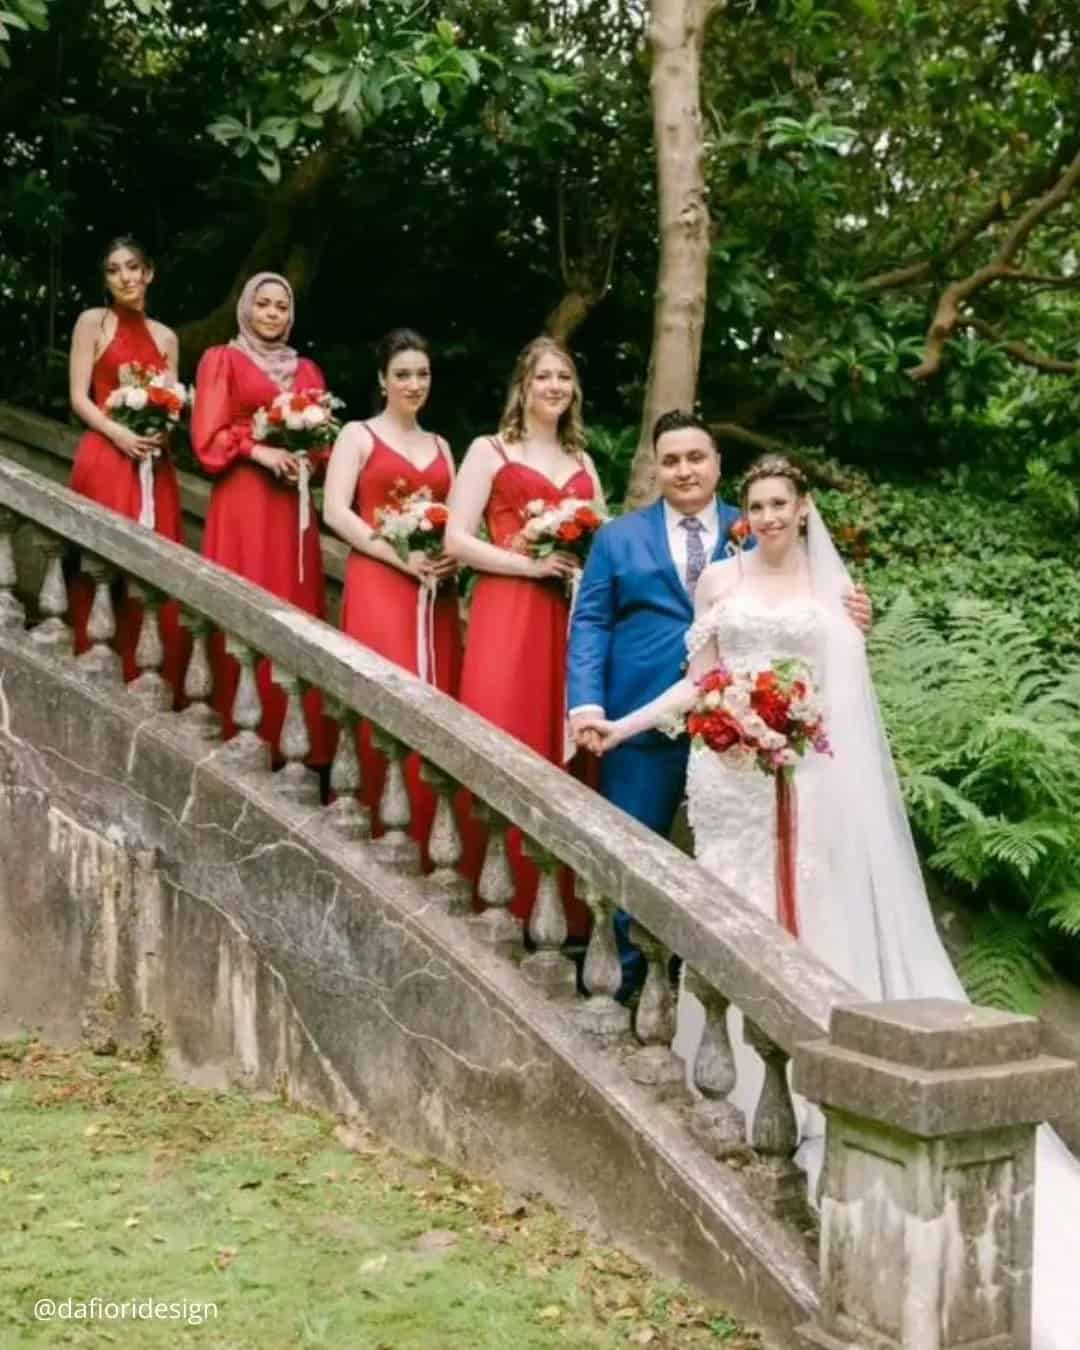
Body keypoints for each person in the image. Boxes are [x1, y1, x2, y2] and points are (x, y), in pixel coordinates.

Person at [578, 453, 1078, 1350]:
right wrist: (624, 722)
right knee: (727, 910)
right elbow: (705, 678)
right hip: (727, 778)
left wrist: (794, 727)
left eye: (782, 504)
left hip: (803, 782)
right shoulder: (720, 580)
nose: (768, 516)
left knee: (805, 916)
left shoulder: (833, 593)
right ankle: (717, 1085)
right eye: (759, 505)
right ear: (748, 512)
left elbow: (844, 701)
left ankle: (813, 1091)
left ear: (803, 509)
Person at [567, 411, 869, 996]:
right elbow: (591, 623)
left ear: (717, 465)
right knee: (637, 858)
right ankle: (626, 990)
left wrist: (858, 617)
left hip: (751, 749)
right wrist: (588, 707)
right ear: (656, 467)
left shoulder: (760, 523)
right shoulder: (617, 537)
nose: (684, 470)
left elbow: (819, 622)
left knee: (751, 873)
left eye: (695, 458)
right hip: (645, 716)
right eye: (672, 460)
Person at [445, 336, 604, 935]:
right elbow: (456, 539)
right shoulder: (489, 451)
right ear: (524, 385)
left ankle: (557, 907)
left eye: (565, 377)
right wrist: (531, 565)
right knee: (501, 729)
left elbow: (600, 545)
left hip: (565, 616)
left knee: (555, 740)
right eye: (545, 377)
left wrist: (579, 569)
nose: (556, 387)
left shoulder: (583, 465)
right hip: (507, 608)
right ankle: (488, 893)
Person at [324, 328, 461, 856]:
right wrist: (398, 554)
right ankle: (379, 828)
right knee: (386, 691)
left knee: (437, 698)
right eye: (402, 374)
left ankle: (433, 836)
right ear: (382, 380)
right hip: (381, 580)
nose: (413, 383)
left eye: (422, 374)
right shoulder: (358, 435)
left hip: (435, 592)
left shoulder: (443, 446)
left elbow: (457, 519)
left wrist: (450, 555)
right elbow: (336, 511)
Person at [191, 271, 334, 764]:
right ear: (246, 308)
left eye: (281, 307)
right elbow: (207, 437)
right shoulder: (222, 360)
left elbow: (325, 445)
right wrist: (258, 450)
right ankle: (235, 726)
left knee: (293, 606)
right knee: (244, 601)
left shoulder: (308, 372)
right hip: (244, 501)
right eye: (264, 305)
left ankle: (291, 742)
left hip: (291, 508)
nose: (272, 314)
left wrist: (304, 456)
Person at [68, 235, 188, 693]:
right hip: (106, 455)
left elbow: (171, 404)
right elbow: (80, 397)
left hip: (154, 468)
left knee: (153, 575)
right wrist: (119, 433)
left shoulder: (166, 338)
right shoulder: (92, 323)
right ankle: (91, 664)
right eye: (114, 270)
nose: (125, 277)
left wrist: (163, 430)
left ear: (149, 272)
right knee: (102, 566)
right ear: (106, 279)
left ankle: (147, 677)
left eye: (133, 267)